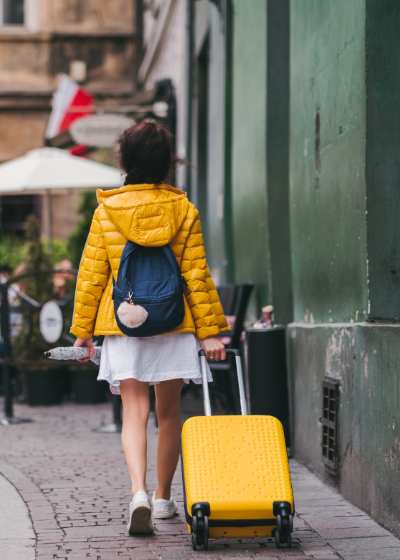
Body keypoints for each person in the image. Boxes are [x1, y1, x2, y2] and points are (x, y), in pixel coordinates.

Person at [70, 121, 230, 535]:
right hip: (174, 322)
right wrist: (210, 329)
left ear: (125, 160)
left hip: (123, 323)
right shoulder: (183, 209)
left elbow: (91, 276)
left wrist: (82, 330)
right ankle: (162, 499)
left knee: (134, 413)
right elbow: (195, 273)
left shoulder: (107, 210)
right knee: (170, 411)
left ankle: (137, 492)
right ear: (167, 162)